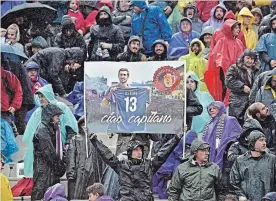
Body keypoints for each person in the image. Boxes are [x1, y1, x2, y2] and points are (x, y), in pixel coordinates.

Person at [90, 132, 182, 201]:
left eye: (141, 150)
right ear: (130, 152)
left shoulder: (149, 165)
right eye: (136, 150)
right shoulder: (122, 166)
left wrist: (176, 138)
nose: (139, 153)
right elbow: (107, 155)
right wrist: (94, 139)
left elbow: (164, 153)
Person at [23, 84, 78, 178]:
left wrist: (68, 143)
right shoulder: (38, 112)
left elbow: (70, 126)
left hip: (59, 145)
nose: (41, 99)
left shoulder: (61, 106)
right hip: (44, 149)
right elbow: (31, 133)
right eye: (39, 97)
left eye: (43, 96)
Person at [203, 101, 241, 194]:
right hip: (211, 157)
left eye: (214, 108)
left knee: (224, 186)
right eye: (210, 109)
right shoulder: (209, 124)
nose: (211, 110)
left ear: (221, 109)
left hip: (225, 158)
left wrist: (226, 147)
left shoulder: (230, 120)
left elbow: (237, 136)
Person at [204, 19, 246, 104]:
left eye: (239, 27)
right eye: (236, 28)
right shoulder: (222, 41)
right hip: (224, 74)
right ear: (230, 29)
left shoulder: (239, 42)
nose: (238, 29)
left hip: (237, 74)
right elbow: (214, 57)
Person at [230, 127, 276, 201]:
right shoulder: (240, 161)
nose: (264, 143)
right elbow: (234, 182)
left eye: (265, 140)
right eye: (261, 140)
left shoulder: (272, 160)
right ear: (252, 142)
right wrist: (241, 195)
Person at [31, 104, 67, 200]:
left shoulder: (51, 129)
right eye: (57, 116)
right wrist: (60, 167)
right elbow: (48, 152)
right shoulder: (42, 130)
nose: (58, 119)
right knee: (42, 195)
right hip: (44, 172)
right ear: (50, 115)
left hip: (49, 170)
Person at [67, 116, 105, 200]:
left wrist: (102, 174)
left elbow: (102, 159)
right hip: (80, 173)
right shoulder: (75, 139)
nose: (85, 126)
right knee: (79, 195)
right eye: (83, 124)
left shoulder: (96, 140)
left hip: (94, 173)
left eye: (87, 124)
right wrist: (71, 173)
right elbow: (71, 157)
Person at [226, 49, 262, 125]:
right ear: (243, 58)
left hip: (252, 102)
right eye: (248, 58)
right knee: (236, 126)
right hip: (237, 103)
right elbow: (229, 81)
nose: (250, 61)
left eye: (252, 59)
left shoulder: (258, 70)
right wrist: (242, 87)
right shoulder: (234, 68)